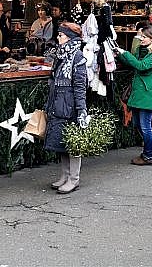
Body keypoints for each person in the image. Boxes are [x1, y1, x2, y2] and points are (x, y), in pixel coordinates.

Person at [114, 25, 152, 165]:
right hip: (140, 91)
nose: (140, 39)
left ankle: (148, 156)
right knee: (138, 123)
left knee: (145, 125)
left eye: (143, 37)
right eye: (141, 36)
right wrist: (120, 55)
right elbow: (134, 63)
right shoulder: (142, 50)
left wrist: (125, 53)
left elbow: (141, 66)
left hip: (147, 92)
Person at [44, 22, 88, 194]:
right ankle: (65, 175)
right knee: (61, 142)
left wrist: (81, 110)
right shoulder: (60, 56)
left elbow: (80, 86)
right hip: (58, 103)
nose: (58, 37)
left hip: (70, 106)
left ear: (69, 38)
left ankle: (74, 179)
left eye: (61, 35)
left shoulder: (77, 57)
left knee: (72, 143)